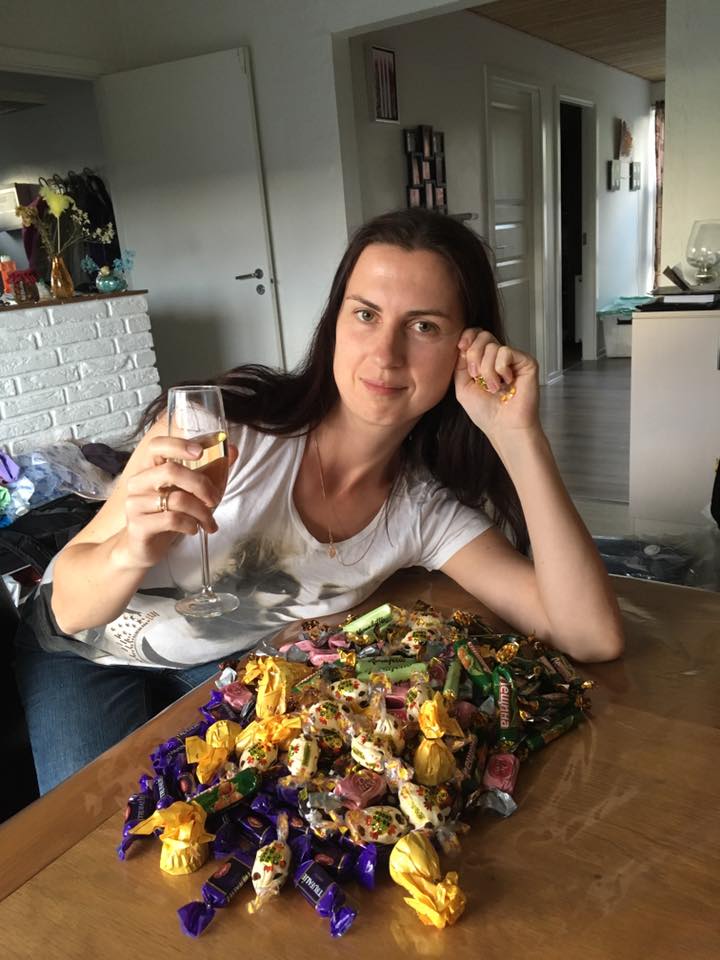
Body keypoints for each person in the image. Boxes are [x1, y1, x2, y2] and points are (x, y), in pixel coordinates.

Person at [14, 209, 623, 795]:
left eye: (423, 326)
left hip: (220, 667)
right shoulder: (228, 432)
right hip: (81, 652)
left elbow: (590, 636)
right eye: (366, 314)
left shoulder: (422, 512)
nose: (385, 354)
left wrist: (517, 435)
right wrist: (132, 548)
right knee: (93, 831)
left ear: (466, 349)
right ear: (335, 322)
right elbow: (66, 606)